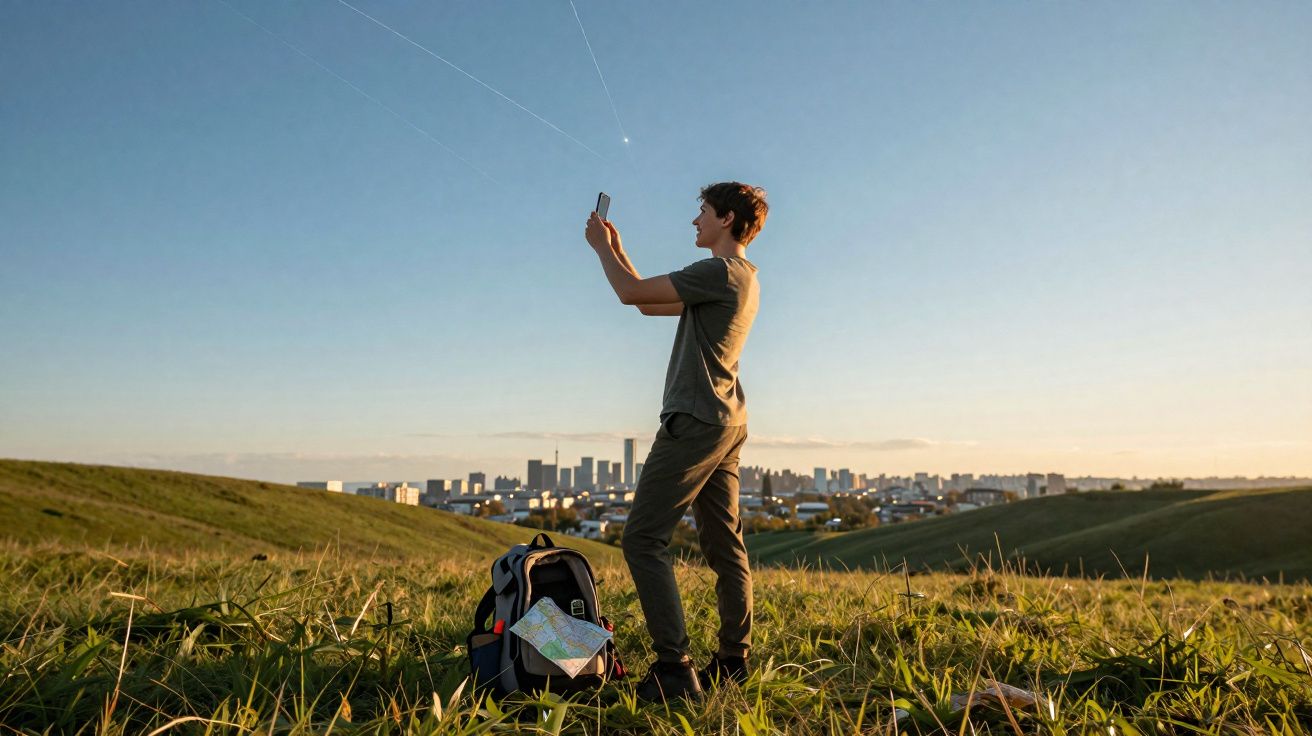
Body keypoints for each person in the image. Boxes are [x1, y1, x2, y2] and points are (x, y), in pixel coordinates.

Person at [583, 182, 768, 702]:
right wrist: (616, 249)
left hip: (692, 420)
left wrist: (598, 248)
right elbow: (645, 303)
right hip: (727, 421)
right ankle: (733, 660)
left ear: (726, 219)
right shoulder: (742, 279)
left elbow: (628, 294)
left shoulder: (717, 271)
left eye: (702, 213)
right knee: (724, 545)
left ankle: (673, 668)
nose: (695, 222)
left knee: (642, 540)